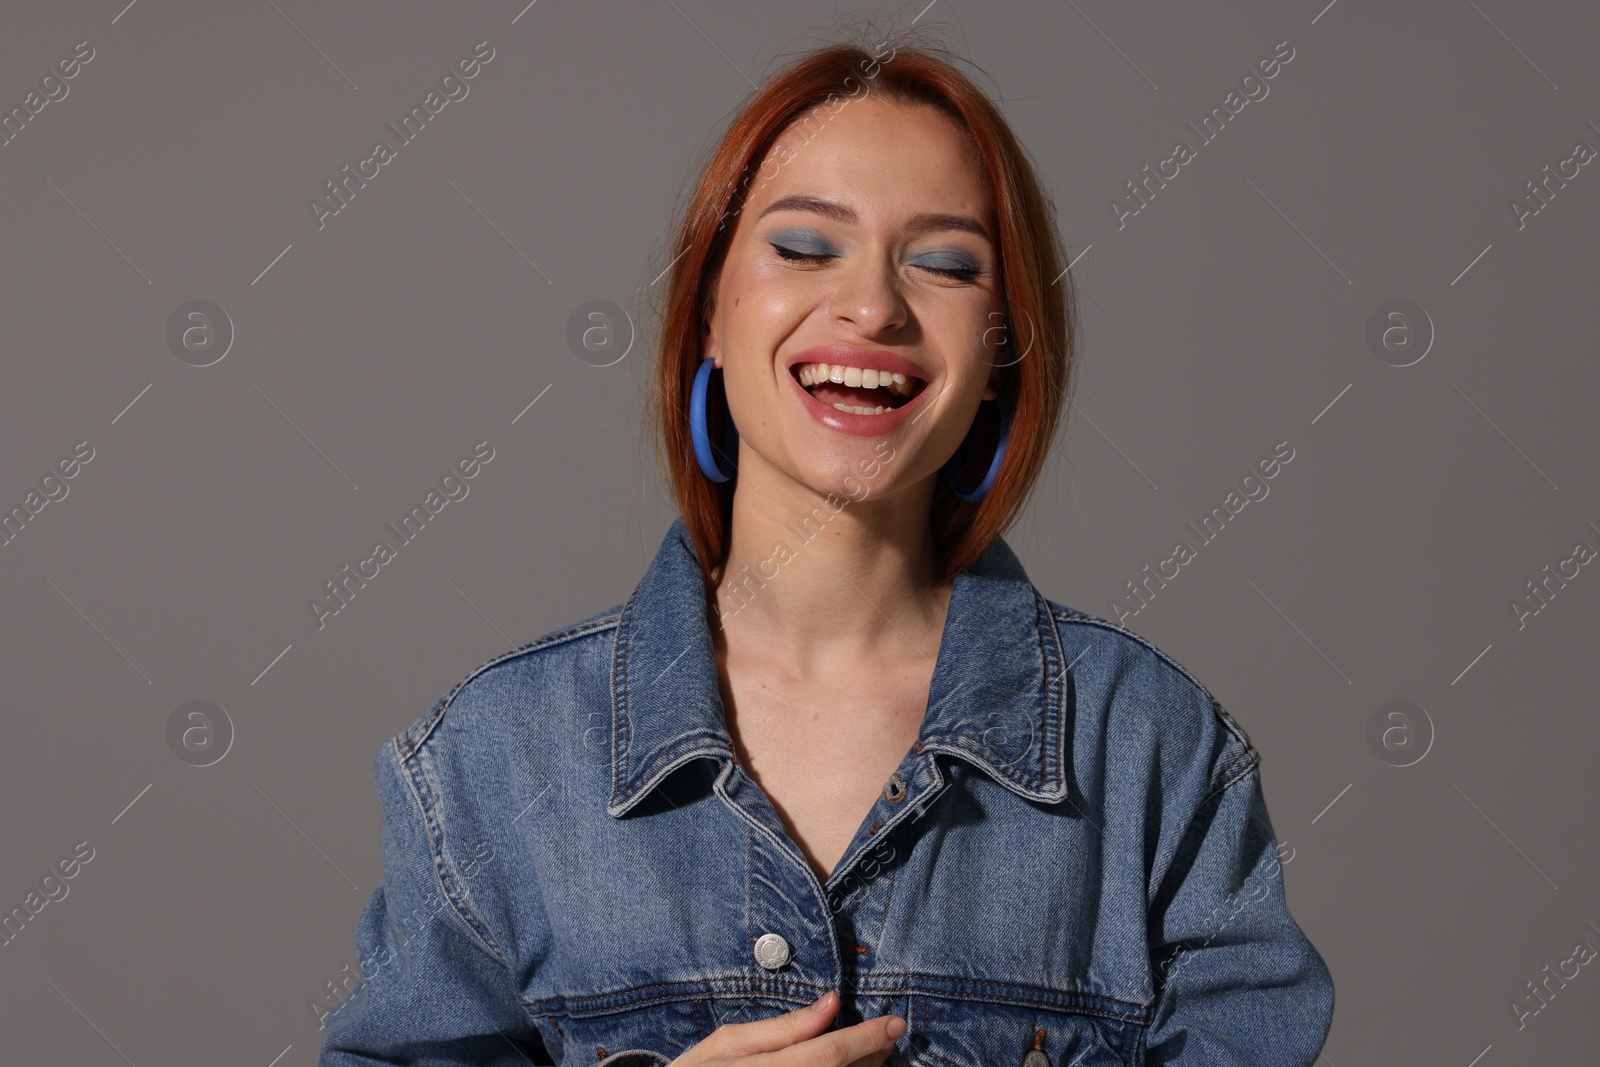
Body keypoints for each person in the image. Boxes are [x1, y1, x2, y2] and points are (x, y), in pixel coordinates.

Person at [318, 32, 1333, 1067]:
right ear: (710, 310)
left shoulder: (1152, 751)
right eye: (805, 247)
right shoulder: (491, 761)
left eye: (943, 262)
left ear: (998, 351)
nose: (873, 305)